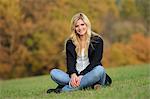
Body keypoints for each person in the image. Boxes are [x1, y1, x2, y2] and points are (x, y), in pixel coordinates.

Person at [47, 12, 112, 93]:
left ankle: (64, 90)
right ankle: (89, 85)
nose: (80, 28)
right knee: (54, 73)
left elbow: (96, 61)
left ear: (87, 25)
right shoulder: (70, 42)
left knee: (100, 70)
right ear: (74, 28)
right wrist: (73, 75)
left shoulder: (97, 40)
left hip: (91, 73)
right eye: (77, 26)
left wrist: (82, 75)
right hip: (75, 77)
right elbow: (70, 62)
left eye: (82, 24)